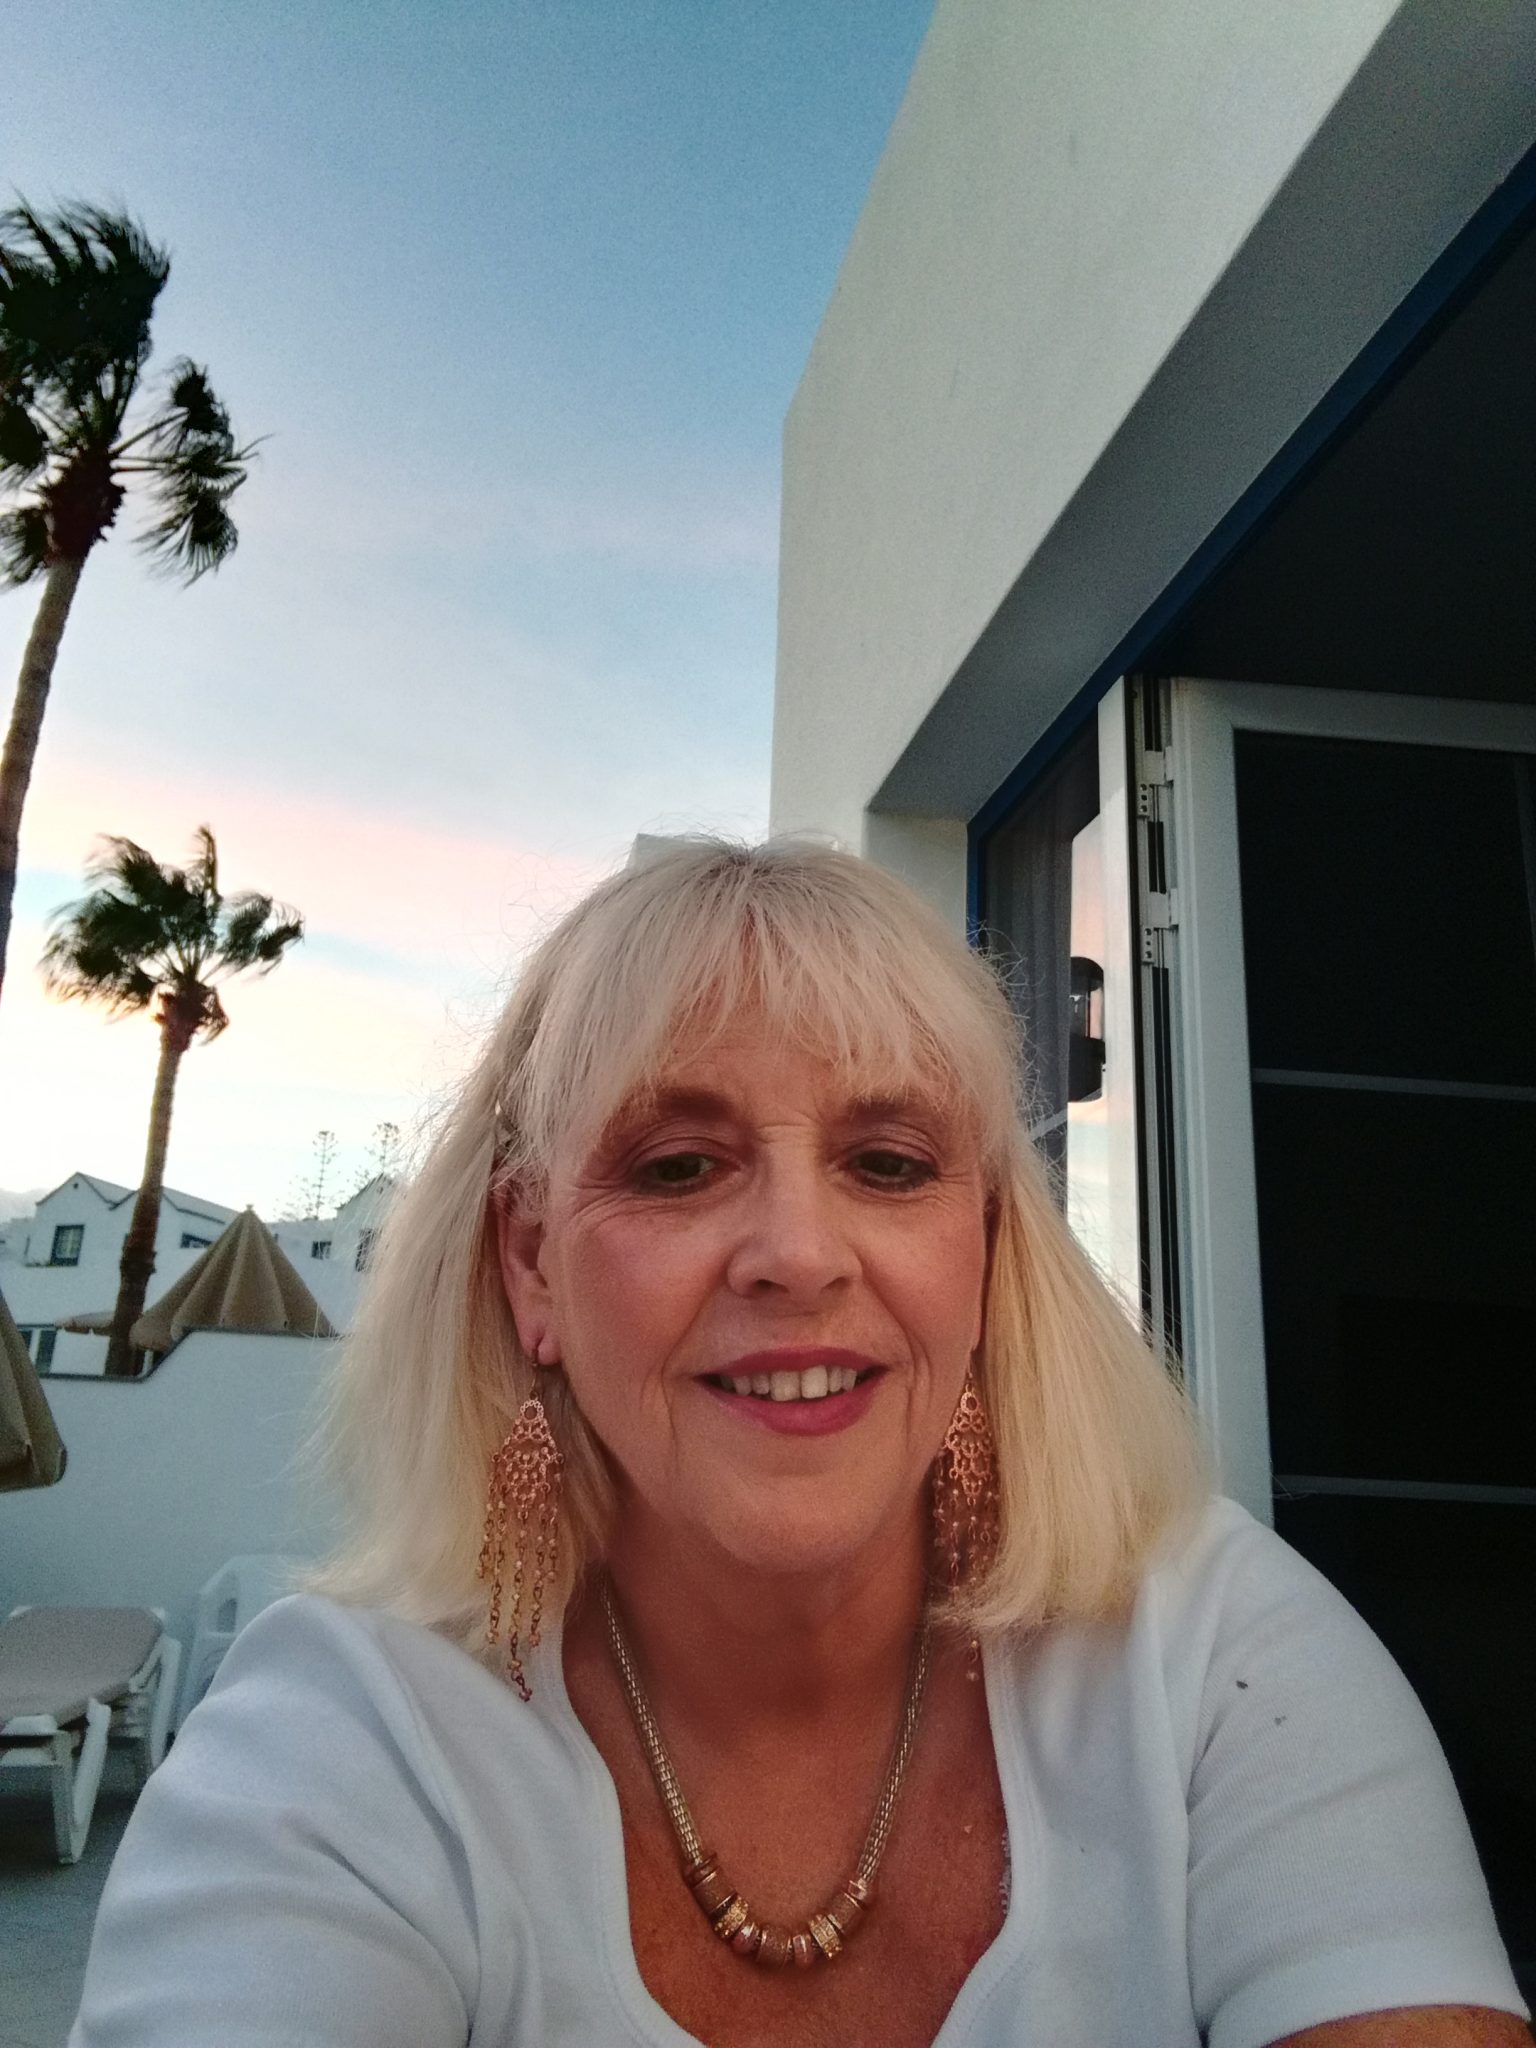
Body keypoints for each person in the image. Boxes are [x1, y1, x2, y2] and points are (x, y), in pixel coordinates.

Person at [71, 839, 1528, 2048]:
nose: (798, 1253)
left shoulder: (1204, 1655)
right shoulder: (348, 1738)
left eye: (888, 1164)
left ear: (983, 1255)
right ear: (530, 1263)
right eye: (679, 1167)